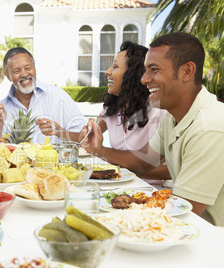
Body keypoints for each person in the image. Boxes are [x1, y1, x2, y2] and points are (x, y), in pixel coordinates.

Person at [81, 32, 224, 226]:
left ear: (187, 72)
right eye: (145, 70)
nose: (143, 79)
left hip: (209, 240)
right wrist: (100, 150)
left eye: (154, 70)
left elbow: (181, 215)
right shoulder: (173, 116)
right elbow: (142, 163)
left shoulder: (210, 128)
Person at [97, 41, 170, 187]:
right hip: (116, 184)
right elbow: (88, 137)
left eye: (115, 66)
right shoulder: (111, 108)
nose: (108, 71)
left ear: (132, 74)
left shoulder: (159, 110)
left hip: (148, 190)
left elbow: (170, 170)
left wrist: (125, 169)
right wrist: (57, 130)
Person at [0, 47, 85, 144]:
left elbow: (85, 138)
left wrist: (59, 132)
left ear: (35, 69)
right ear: (8, 76)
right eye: (17, 71)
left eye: (28, 68)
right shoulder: (1, 108)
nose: (24, 74)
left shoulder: (58, 96)